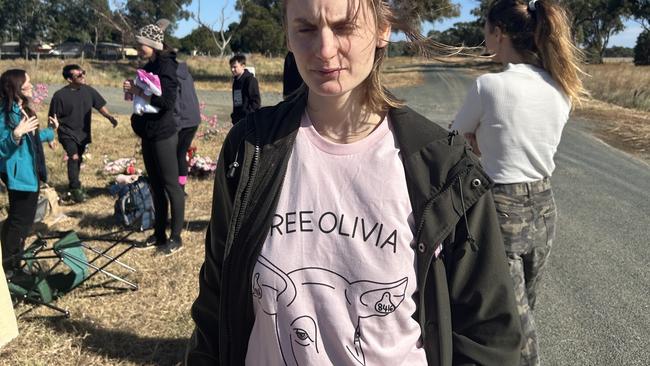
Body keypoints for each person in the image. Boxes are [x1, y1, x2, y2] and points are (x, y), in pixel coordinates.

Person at [186, 0, 522, 365]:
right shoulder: (249, 149)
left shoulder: (441, 166)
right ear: (287, 34)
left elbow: (489, 336)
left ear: (383, 30)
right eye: (306, 29)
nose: (325, 50)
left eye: (344, 27)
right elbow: (216, 302)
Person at [450, 1, 586, 365]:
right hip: (544, 206)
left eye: (485, 28)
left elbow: (454, 139)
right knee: (526, 306)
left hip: (502, 208)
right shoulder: (560, 86)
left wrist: (478, 141)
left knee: (514, 318)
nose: (483, 35)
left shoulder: (488, 87)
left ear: (500, 33)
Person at [123, 20, 185, 255]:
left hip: (163, 134)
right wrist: (133, 90)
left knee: (171, 186)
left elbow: (167, 102)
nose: (139, 48)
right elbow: (146, 95)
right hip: (148, 133)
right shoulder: (150, 65)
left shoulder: (166, 66)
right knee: (155, 186)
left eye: (142, 45)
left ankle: (176, 237)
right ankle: (159, 234)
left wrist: (140, 92)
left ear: (153, 45)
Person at [0, 69, 58, 272]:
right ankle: (10, 267)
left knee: (20, 220)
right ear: (16, 88)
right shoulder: (4, 115)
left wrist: (51, 132)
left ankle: (12, 258)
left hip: (31, 174)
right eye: (27, 83)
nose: (32, 86)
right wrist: (15, 135)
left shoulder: (23, 109)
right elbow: (2, 147)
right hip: (18, 177)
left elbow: (31, 139)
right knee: (20, 223)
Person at [48, 64, 118, 203]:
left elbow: (100, 105)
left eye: (83, 73)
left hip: (82, 133)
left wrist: (110, 117)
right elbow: (52, 118)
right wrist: (50, 136)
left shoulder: (88, 91)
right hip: (66, 132)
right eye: (79, 75)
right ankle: (75, 189)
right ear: (69, 79)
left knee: (78, 158)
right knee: (73, 157)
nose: (83, 76)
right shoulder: (59, 96)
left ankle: (73, 183)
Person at [173, 61, 201, 192]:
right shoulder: (186, 73)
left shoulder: (172, 74)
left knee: (177, 154)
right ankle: (181, 185)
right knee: (181, 153)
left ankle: (180, 187)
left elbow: (176, 101)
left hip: (184, 119)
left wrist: (176, 124)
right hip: (193, 118)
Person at [230, 54, 261, 124]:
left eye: (235, 67)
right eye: (231, 67)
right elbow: (236, 103)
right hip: (238, 120)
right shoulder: (236, 81)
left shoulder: (250, 80)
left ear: (243, 66)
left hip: (248, 120)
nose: (232, 69)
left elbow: (256, 102)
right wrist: (234, 117)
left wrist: (248, 115)